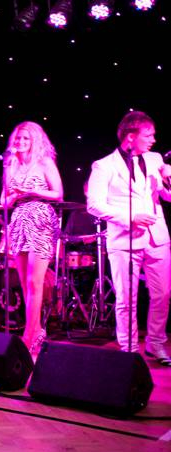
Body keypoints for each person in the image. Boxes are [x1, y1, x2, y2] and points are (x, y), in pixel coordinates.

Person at [87, 111, 171, 364]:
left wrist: (168, 181)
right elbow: (94, 205)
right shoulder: (104, 166)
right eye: (149, 134)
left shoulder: (155, 159)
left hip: (157, 238)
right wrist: (129, 217)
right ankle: (130, 350)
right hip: (125, 240)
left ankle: (155, 343)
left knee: (163, 294)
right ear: (131, 136)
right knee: (127, 300)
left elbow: (168, 197)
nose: (153, 139)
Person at [0, 121, 63, 354]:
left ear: (35, 140)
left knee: (35, 281)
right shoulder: (10, 166)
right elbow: (3, 201)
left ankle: (28, 334)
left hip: (40, 218)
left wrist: (33, 192)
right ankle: (36, 331)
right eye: (17, 139)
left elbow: (58, 193)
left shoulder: (45, 162)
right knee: (24, 282)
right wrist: (14, 197)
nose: (21, 143)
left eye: (26, 139)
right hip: (18, 220)